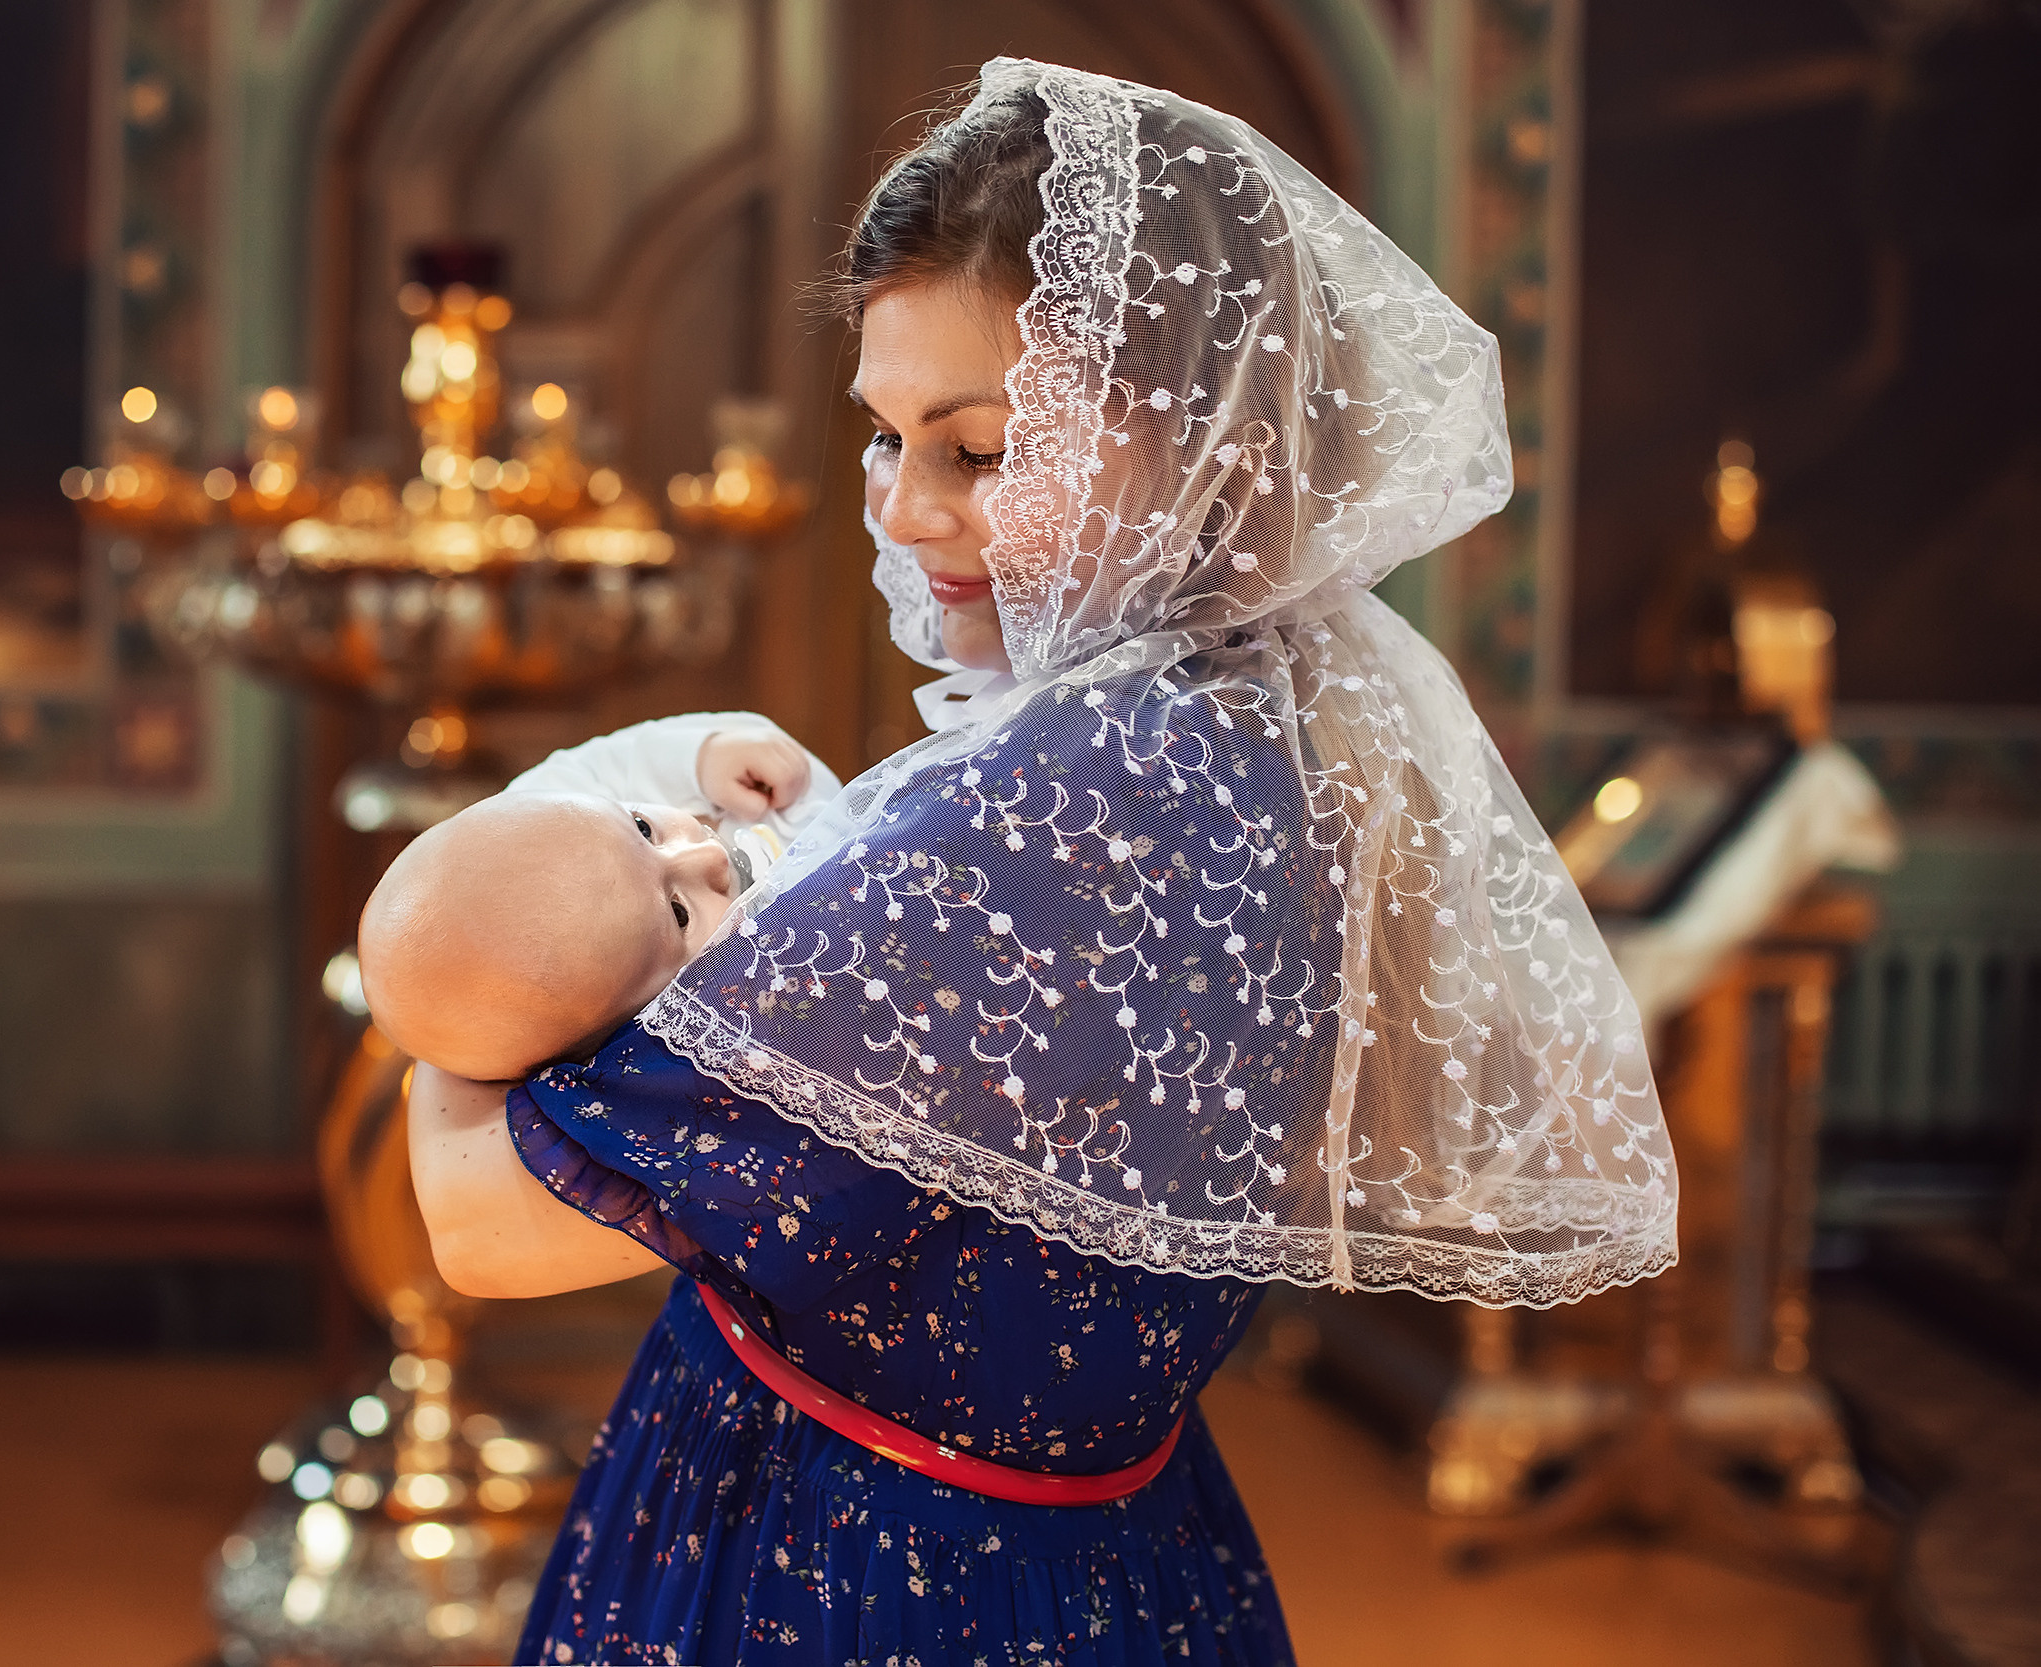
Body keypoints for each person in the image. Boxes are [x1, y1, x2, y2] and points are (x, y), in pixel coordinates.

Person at [392, 60, 1678, 1665]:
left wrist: (452, 951)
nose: (905, 508)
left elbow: (476, 1223)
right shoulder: (1271, 716)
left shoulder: (1076, 806)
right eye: (885, 437)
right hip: (1092, 1542)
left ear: (1200, 441)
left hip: (866, 1568)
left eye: (983, 449)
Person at [360, 713, 838, 1081]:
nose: (707, 855)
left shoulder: (546, 811)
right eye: (679, 913)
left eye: (644, 828)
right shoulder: (748, 1000)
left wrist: (699, 761)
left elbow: (601, 767)